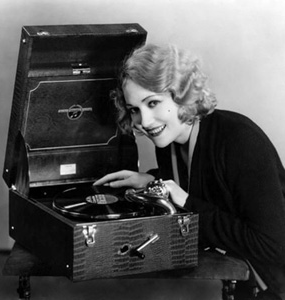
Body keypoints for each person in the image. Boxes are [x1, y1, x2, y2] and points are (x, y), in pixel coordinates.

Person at [94, 43, 285, 299]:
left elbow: (273, 245)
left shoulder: (240, 140)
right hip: (246, 281)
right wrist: (151, 179)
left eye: (153, 103)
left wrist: (186, 201)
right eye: (134, 110)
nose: (145, 122)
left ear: (181, 94)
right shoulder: (169, 140)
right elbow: (203, 183)